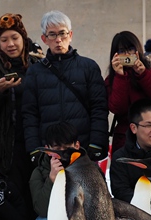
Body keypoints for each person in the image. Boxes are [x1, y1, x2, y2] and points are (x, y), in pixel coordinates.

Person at [0, 13, 42, 214]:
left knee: (36, 198)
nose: (10, 44)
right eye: (4, 40)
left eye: (15, 38)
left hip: (34, 144)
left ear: (24, 39)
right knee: (14, 203)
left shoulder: (37, 66)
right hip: (4, 152)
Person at [21, 10, 109, 162]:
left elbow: (99, 108)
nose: (58, 39)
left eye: (62, 33)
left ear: (70, 35)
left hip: (82, 150)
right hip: (50, 153)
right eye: (52, 35)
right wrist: (34, 148)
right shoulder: (34, 72)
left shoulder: (88, 67)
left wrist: (97, 143)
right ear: (44, 39)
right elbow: (30, 114)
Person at [29, 122, 80, 220]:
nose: (62, 153)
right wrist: (52, 179)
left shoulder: (87, 168)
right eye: (56, 148)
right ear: (47, 149)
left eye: (67, 147)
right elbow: (42, 209)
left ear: (77, 146)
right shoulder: (39, 172)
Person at [105, 31, 151, 155]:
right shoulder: (111, 79)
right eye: (122, 51)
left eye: (131, 49)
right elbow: (117, 108)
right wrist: (120, 76)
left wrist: (143, 74)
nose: (127, 54)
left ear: (137, 50)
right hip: (125, 137)